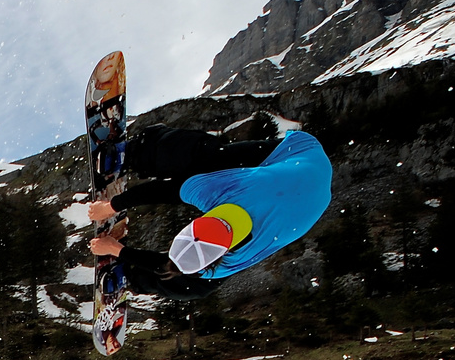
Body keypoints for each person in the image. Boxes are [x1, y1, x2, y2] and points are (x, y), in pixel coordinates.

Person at [87, 124, 332, 300]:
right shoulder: (218, 189)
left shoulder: (234, 260)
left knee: (194, 287)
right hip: (300, 154)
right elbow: (168, 191)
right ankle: (131, 154)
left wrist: (118, 250)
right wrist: (112, 206)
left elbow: (168, 265)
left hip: (305, 193)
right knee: (204, 157)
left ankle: (129, 277)